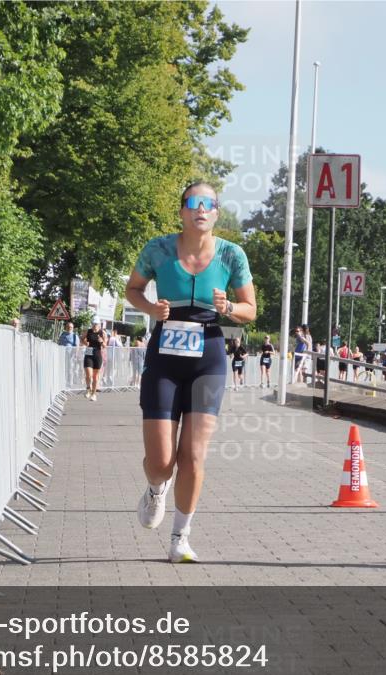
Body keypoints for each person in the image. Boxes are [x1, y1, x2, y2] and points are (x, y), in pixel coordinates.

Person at [124, 181, 256, 563]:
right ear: (181, 210)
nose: (201, 209)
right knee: (163, 461)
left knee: (194, 456)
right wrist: (151, 310)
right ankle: (154, 489)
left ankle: (180, 538)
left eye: (209, 203)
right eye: (194, 203)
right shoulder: (159, 249)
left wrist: (229, 306)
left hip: (209, 355)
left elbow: (250, 308)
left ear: (216, 212)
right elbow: (132, 289)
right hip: (164, 355)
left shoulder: (231, 255)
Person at [83, 319, 107, 401]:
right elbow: (82, 339)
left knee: (95, 376)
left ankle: (94, 394)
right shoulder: (88, 331)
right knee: (88, 375)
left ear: (99, 325)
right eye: (93, 323)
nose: (94, 325)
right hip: (89, 354)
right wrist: (85, 342)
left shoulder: (102, 333)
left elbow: (104, 346)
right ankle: (88, 389)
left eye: (96, 324)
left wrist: (101, 341)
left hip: (97, 354)